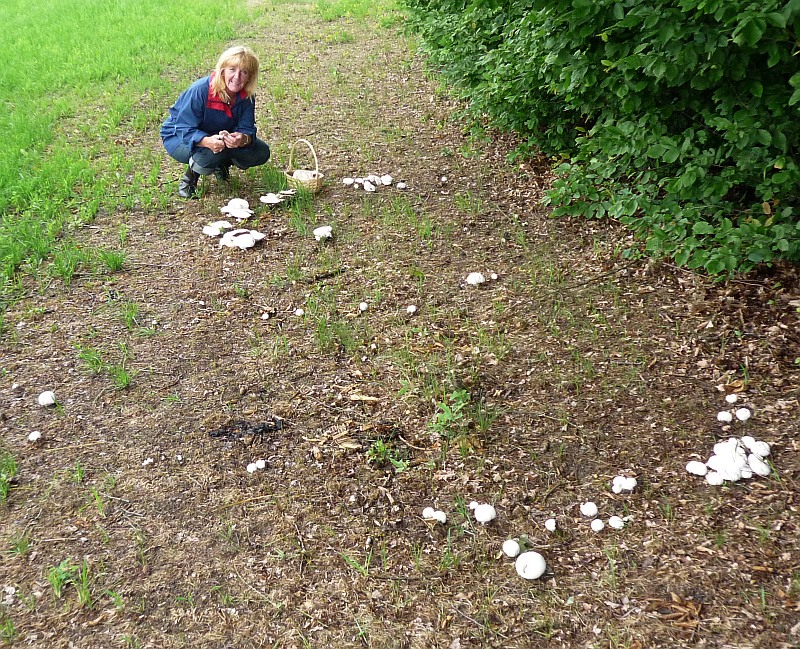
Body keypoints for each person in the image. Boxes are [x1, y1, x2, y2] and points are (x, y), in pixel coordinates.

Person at [160, 45, 271, 198]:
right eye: (232, 69)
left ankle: (221, 165)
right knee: (214, 150)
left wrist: (242, 139)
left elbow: (247, 128)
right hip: (179, 137)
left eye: (244, 72)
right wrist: (206, 141)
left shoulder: (247, 96)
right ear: (222, 70)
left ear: (250, 76)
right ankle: (189, 179)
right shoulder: (200, 90)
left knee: (261, 152)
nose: (237, 77)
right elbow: (183, 127)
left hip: (219, 136)